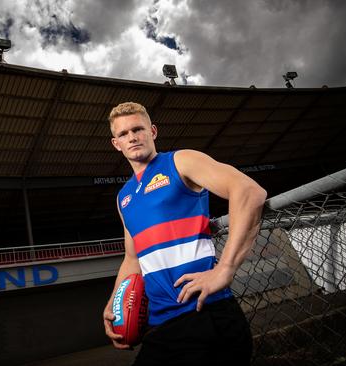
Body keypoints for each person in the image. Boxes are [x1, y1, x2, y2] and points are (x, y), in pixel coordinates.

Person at [102, 102, 267, 365]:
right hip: (162, 326)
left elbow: (249, 191)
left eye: (138, 129)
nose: (132, 137)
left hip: (205, 314)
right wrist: (114, 302)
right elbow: (132, 259)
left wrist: (225, 269)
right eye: (123, 134)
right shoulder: (124, 198)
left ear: (152, 131)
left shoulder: (180, 161)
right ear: (116, 143)